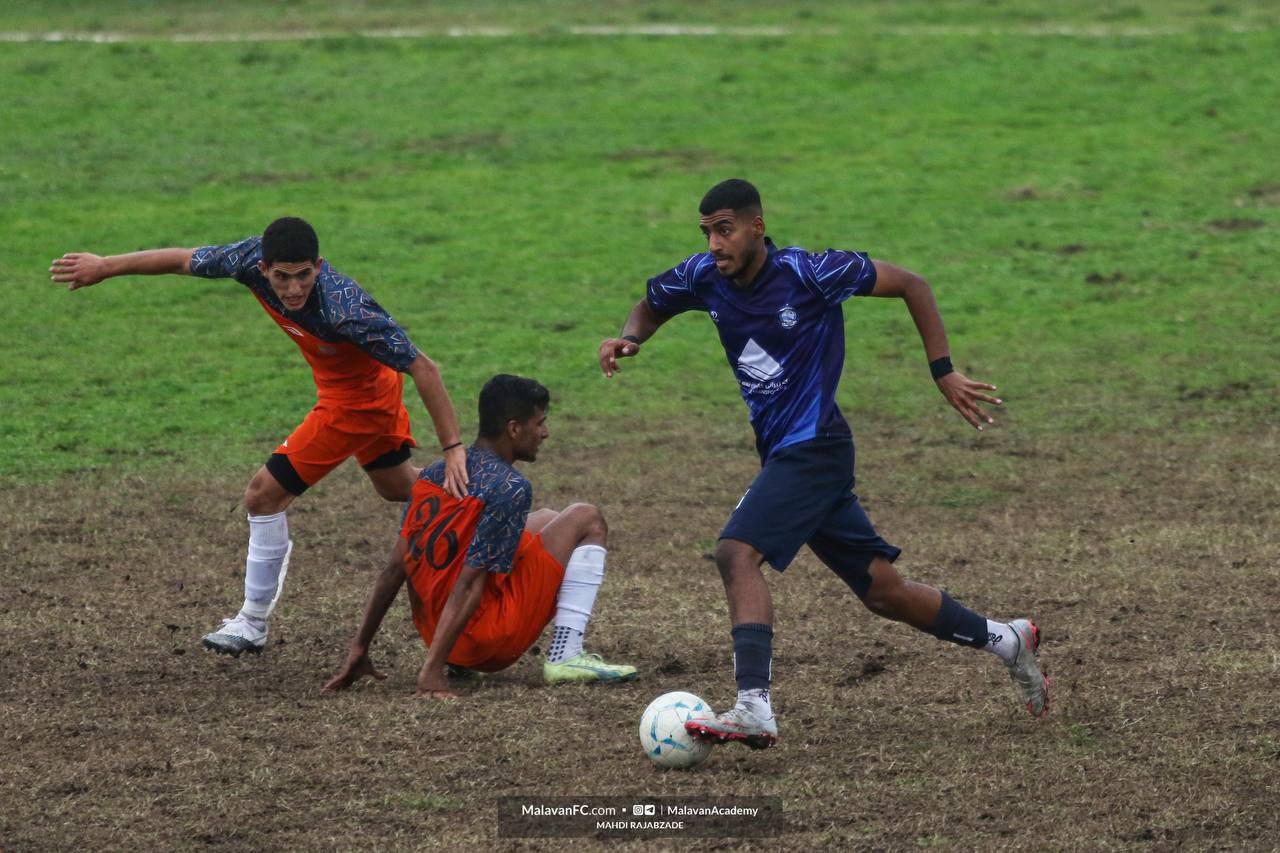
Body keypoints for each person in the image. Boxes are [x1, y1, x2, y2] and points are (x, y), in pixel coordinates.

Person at [597, 179, 1048, 749]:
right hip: (793, 455)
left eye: (726, 228)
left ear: (757, 226)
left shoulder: (811, 273)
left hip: (814, 449)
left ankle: (753, 708)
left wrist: (943, 371)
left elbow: (911, 283)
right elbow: (652, 303)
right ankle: (1007, 639)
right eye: (707, 230)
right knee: (883, 591)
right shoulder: (702, 276)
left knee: (736, 554)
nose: (715, 242)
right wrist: (629, 337)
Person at [50, 217, 469, 656]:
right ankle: (479, 492)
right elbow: (178, 260)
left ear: (319, 266)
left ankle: (251, 622)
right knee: (398, 487)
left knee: (262, 496)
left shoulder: (345, 307)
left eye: (304, 275)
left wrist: (454, 448)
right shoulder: (247, 260)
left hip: (357, 403)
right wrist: (104, 266)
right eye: (283, 277)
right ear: (265, 268)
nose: (292, 288)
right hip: (359, 387)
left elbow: (424, 367)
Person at [324, 374, 636, 697]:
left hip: (435, 631)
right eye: (539, 423)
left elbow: (393, 570)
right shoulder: (510, 488)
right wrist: (431, 671)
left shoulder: (434, 473)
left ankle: (448, 656)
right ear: (514, 429)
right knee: (586, 518)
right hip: (483, 641)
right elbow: (470, 582)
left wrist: (359, 647)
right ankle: (566, 655)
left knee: (548, 519)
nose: (545, 433)